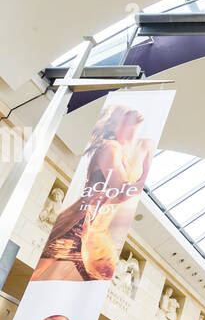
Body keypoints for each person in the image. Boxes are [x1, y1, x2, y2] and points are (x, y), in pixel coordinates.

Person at [33, 106, 155, 283]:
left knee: (61, 287)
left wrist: (146, 154)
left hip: (97, 233)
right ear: (114, 125)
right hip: (80, 224)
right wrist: (143, 177)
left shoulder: (135, 148)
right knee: (40, 279)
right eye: (126, 116)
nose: (132, 116)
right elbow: (121, 192)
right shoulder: (110, 148)